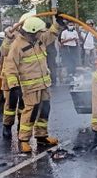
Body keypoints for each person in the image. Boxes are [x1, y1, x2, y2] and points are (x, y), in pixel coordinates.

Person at [4, 13, 64, 153]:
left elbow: (50, 35)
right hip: (30, 86)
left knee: (45, 110)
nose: (41, 34)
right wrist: (14, 86)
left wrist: (58, 24)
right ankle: (23, 140)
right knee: (30, 112)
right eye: (39, 31)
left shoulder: (39, 39)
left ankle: (42, 136)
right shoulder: (17, 45)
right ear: (32, 32)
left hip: (44, 84)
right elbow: (10, 67)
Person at [0, 26, 24, 138]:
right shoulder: (9, 39)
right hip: (9, 76)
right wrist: (9, 38)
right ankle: (7, 126)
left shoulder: (27, 39)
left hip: (24, 76)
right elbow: (3, 51)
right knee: (10, 104)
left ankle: (21, 126)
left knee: (24, 104)